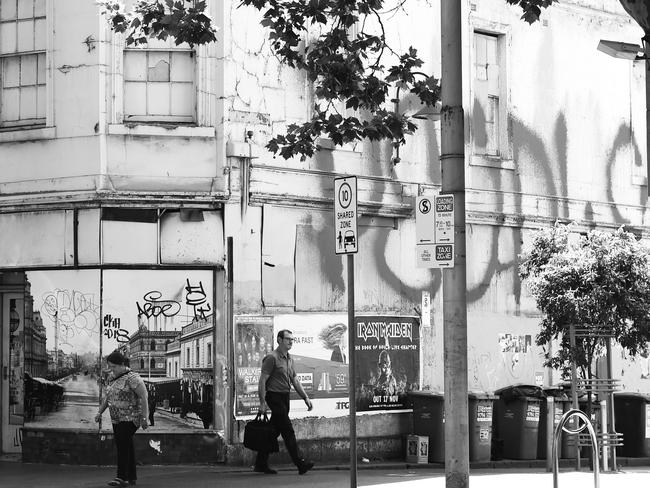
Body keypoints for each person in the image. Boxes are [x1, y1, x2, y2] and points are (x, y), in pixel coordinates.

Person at [255, 329, 314, 475]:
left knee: (272, 432)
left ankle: (260, 464)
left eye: (292, 339)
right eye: (288, 339)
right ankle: (300, 463)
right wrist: (262, 403)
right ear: (279, 340)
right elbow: (262, 381)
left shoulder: (289, 358)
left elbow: (294, 380)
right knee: (288, 431)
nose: (291, 341)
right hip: (274, 397)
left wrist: (305, 397)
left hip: (285, 397)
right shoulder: (271, 358)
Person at [95, 351, 149, 487]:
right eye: (110, 367)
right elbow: (108, 398)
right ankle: (131, 477)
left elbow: (144, 397)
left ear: (122, 365)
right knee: (126, 445)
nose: (111, 369)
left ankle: (122, 477)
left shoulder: (133, 378)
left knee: (122, 446)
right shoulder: (113, 378)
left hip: (131, 418)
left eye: (113, 367)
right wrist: (100, 412)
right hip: (117, 419)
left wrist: (144, 417)